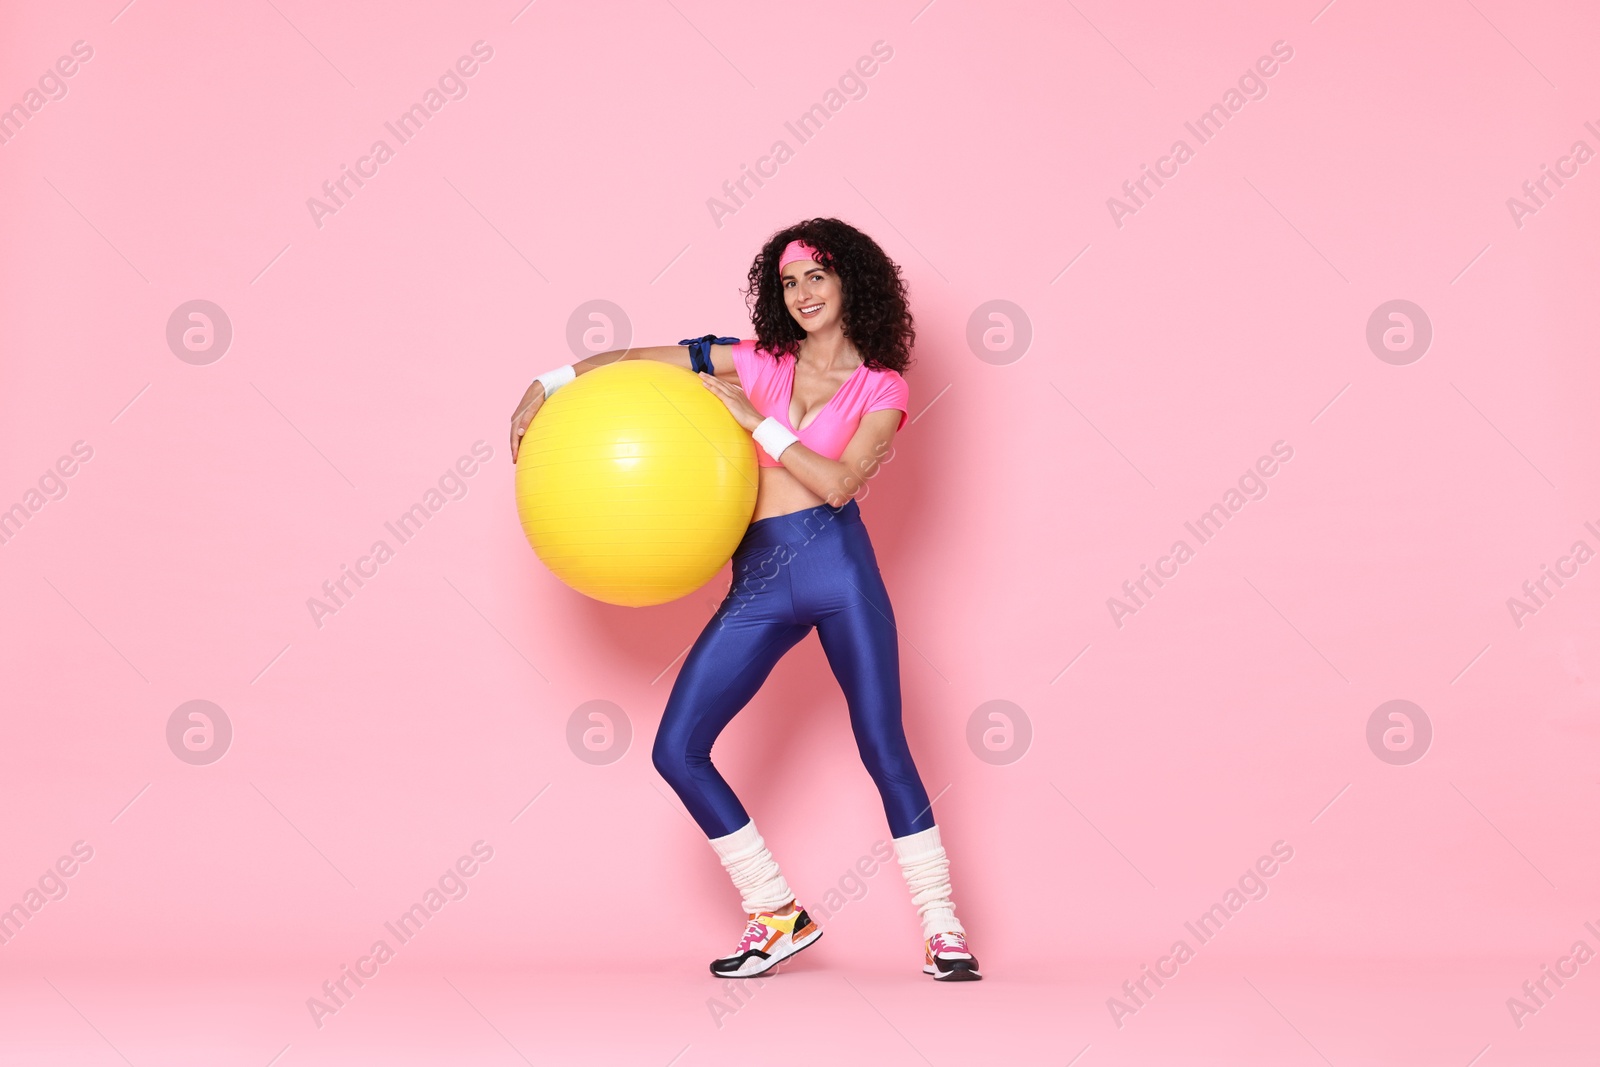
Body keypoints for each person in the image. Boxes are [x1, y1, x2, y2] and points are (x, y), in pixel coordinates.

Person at [508, 218, 979, 982]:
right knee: (676, 749)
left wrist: (751, 420)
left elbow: (837, 483)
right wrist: (552, 380)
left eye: (817, 276)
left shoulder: (882, 386)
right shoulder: (756, 360)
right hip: (760, 583)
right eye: (789, 282)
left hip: (839, 574)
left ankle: (942, 927)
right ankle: (776, 911)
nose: (803, 294)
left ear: (850, 281)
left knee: (883, 747)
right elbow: (633, 360)